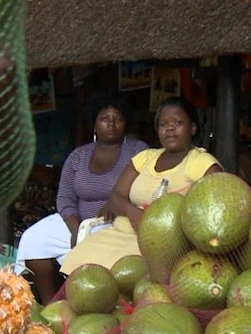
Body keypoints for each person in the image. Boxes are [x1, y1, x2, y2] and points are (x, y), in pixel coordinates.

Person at [59, 96, 222, 276]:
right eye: (163, 124)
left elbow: (215, 206)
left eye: (177, 122)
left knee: (123, 277)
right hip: (122, 231)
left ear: (192, 128)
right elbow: (115, 196)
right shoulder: (146, 157)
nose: (170, 128)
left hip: (162, 243)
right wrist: (132, 212)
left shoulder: (201, 162)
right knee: (80, 262)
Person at [16, 93, 147, 303]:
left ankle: (87, 303)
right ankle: (51, 303)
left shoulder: (137, 150)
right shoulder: (79, 155)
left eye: (117, 119)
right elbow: (65, 197)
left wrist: (115, 204)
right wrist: (74, 227)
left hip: (115, 223)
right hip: (77, 221)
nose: (111, 124)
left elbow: (144, 187)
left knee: (96, 252)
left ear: (126, 123)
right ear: (94, 124)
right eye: (104, 119)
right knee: (34, 238)